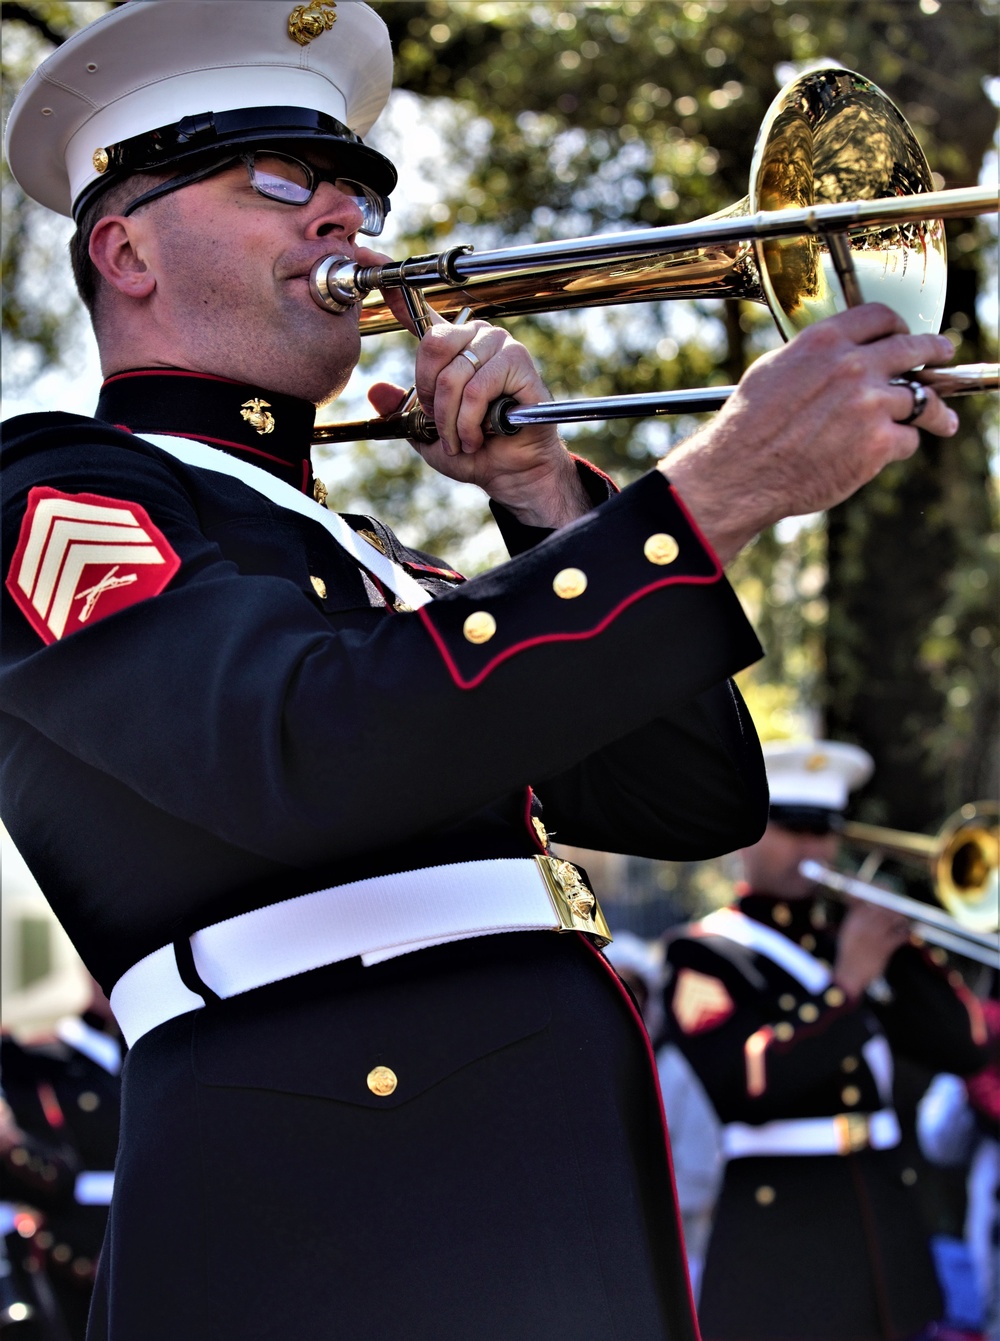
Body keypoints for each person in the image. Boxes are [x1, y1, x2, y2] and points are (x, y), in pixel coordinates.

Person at [0, 3, 961, 1338]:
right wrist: (714, 491)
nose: (346, 217)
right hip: (335, 1215)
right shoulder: (62, 489)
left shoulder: (368, 548)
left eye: (359, 188)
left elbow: (691, 800)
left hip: (543, 1208)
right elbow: (311, 752)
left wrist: (553, 502)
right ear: (126, 246)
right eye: (285, 181)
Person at [660, 740, 993, 1341]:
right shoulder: (705, 953)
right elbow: (746, 1086)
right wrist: (848, 984)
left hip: (887, 1225)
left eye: (825, 831)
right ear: (747, 835)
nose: (811, 848)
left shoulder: (847, 939)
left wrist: (903, 943)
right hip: (782, 1243)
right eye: (791, 829)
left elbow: (965, 1047)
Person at [0, 981, 122, 1341]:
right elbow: (52, 1179)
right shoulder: (31, 1060)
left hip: (148, 1233)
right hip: (71, 1249)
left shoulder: (147, 1050)